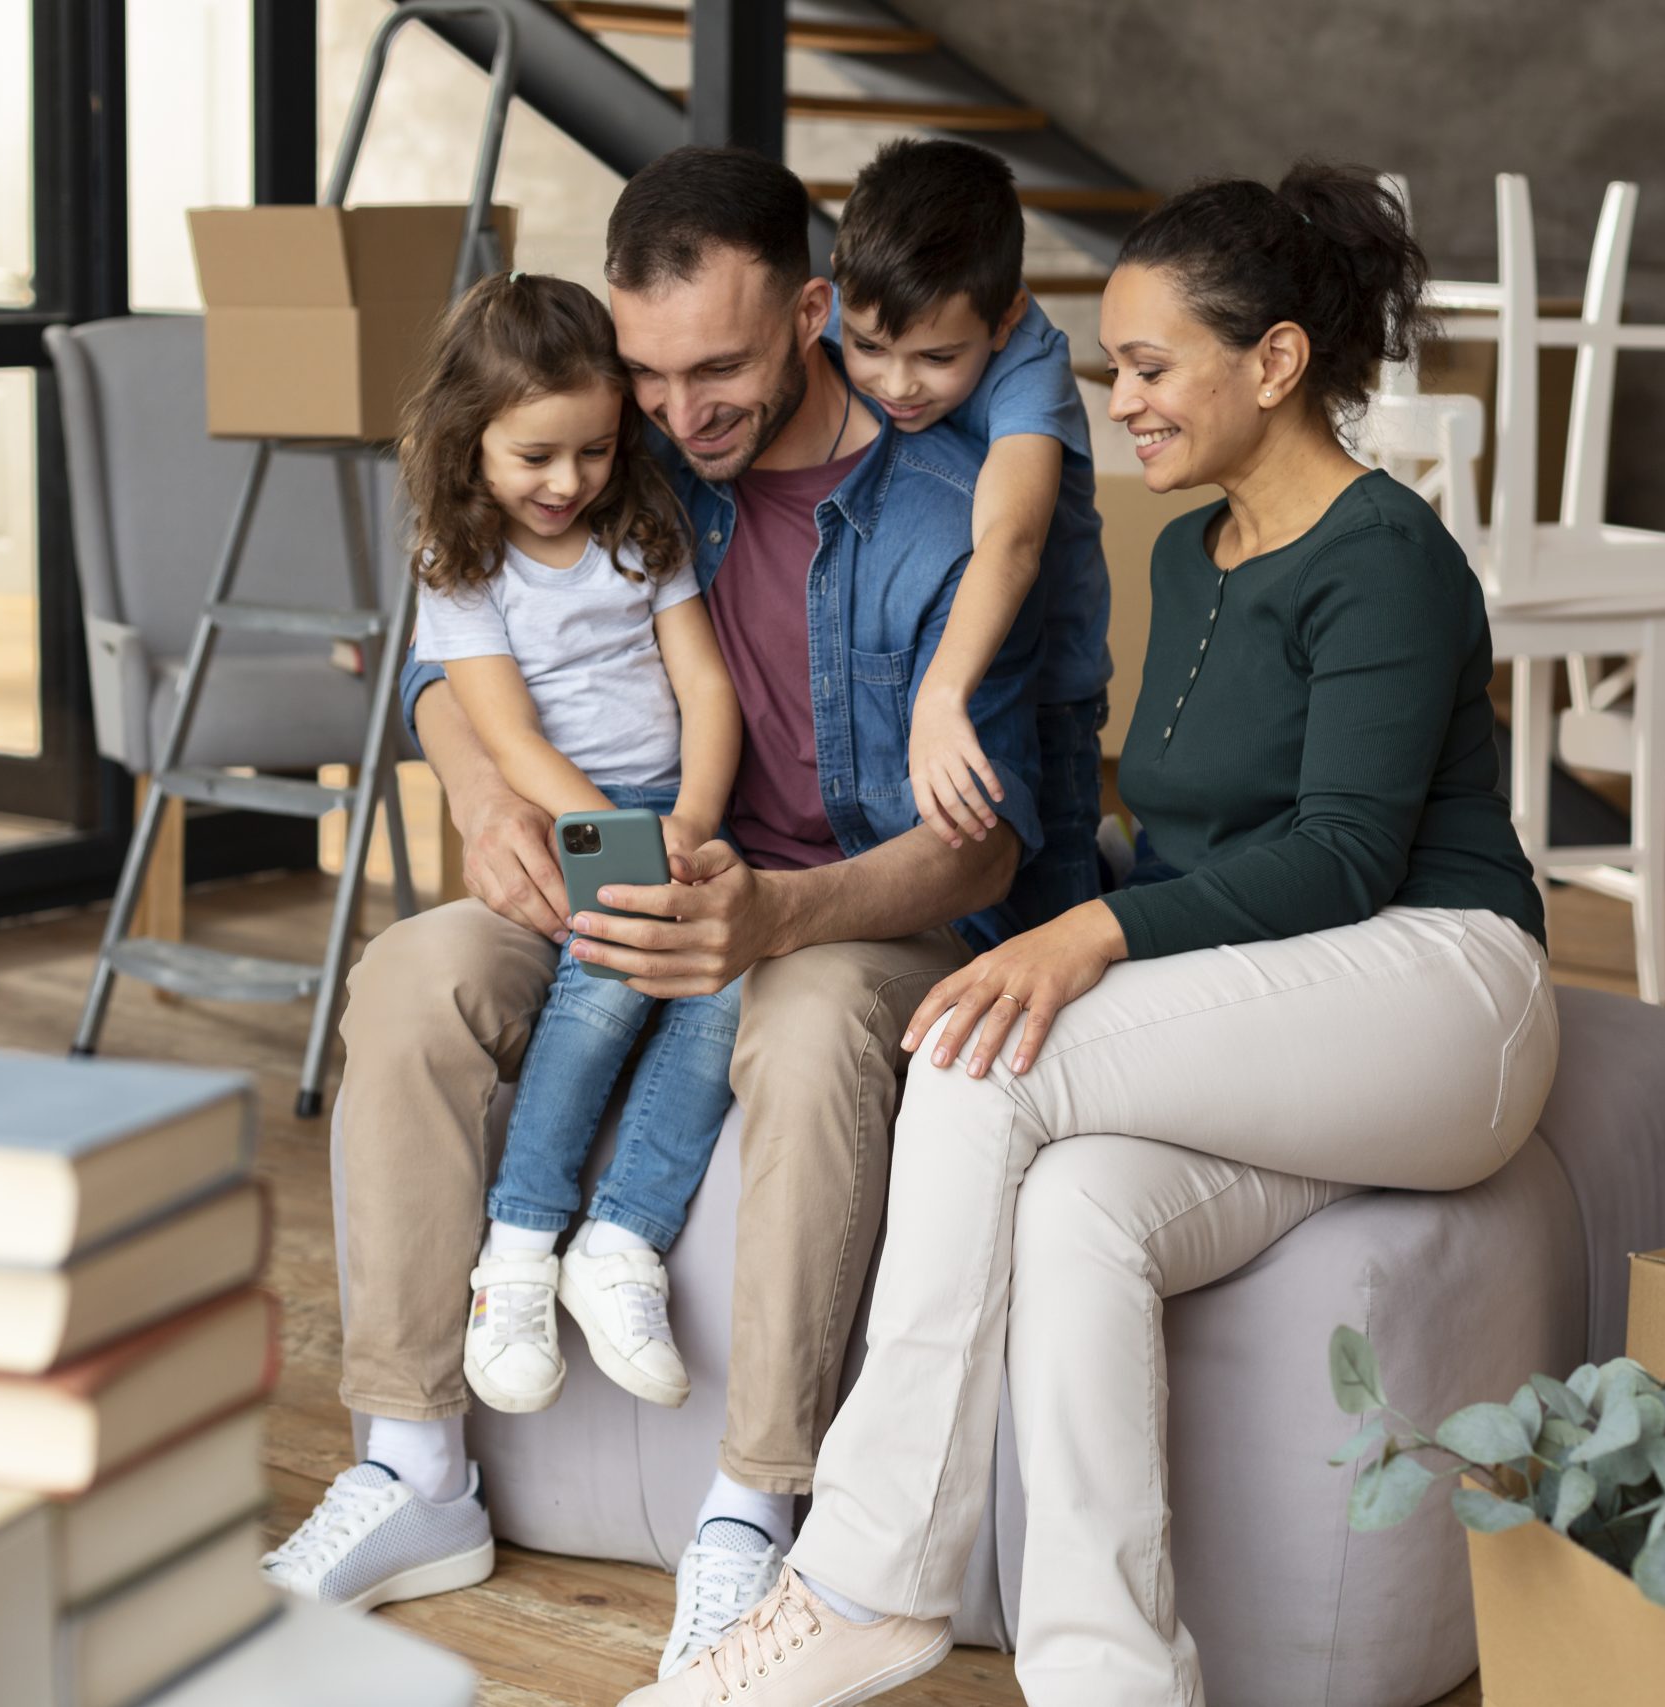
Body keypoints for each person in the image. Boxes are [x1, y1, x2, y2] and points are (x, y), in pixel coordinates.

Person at [625, 162, 1559, 1707]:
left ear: (1274, 363)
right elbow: (1202, 839)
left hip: (1446, 986)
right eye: (1111, 364)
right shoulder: (1188, 555)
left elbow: (1341, 856)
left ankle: (865, 1573)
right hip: (1294, 1009)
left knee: (981, 1057)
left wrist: (1085, 937)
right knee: (1079, 1213)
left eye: (1148, 366)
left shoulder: (1386, 554)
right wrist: (1093, 911)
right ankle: (1109, 1677)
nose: (1112, 400)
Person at [280, 146, 1079, 1681]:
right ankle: (411, 1464)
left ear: (813, 315)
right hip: (624, 873)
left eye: (717, 367)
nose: (676, 410)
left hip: (847, 904)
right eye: (645, 373)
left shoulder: (942, 518)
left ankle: (752, 1515)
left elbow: (988, 849)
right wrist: (483, 790)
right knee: (414, 972)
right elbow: (457, 654)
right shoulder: (627, 472)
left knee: (810, 1016)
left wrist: (780, 912)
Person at [397, 273, 742, 1426]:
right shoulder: (462, 566)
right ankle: (518, 1251)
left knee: (719, 989)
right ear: (469, 440)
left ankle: (623, 1241)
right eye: (535, 456)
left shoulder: (642, 531)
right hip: (575, 813)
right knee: (601, 994)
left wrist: (692, 816)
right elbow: (505, 733)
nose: (567, 482)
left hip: (678, 807)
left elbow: (703, 682)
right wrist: (621, 837)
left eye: (593, 451)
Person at [828, 138, 1110, 922]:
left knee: (1044, 910)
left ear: (1006, 314)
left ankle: (1100, 870)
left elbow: (1012, 537)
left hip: (1047, 689)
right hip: (905, 661)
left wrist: (939, 696)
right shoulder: (840, 313)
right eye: (868, 347)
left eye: (937, 357)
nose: (896, 383)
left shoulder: (1031, 364)